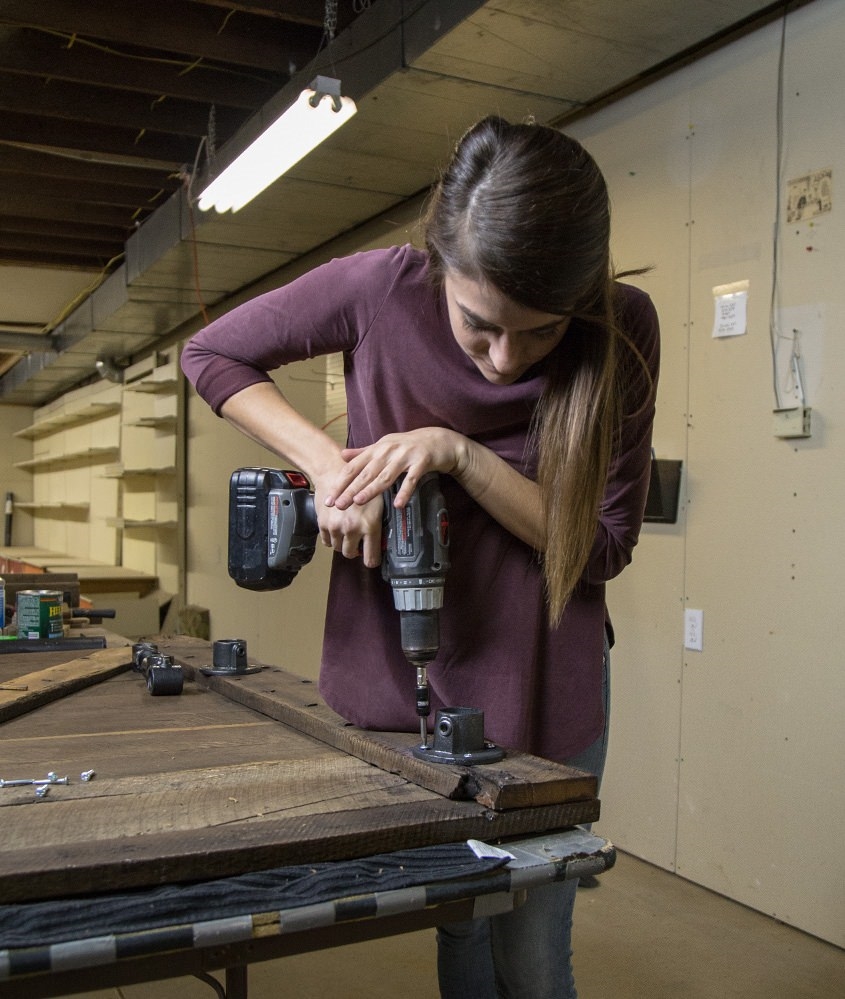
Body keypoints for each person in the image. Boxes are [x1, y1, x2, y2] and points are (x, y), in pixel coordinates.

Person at [181, 115, 660, 998]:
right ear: (440, 265)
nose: (504, 360)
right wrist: (329, 468)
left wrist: (458, 453)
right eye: (479, 326)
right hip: (409, 676)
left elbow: (598, 545)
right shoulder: (379, 287)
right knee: (459, 920)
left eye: (541, 333)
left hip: (546, 675)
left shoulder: (623, 325)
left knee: (531, 946)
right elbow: (209, 351)